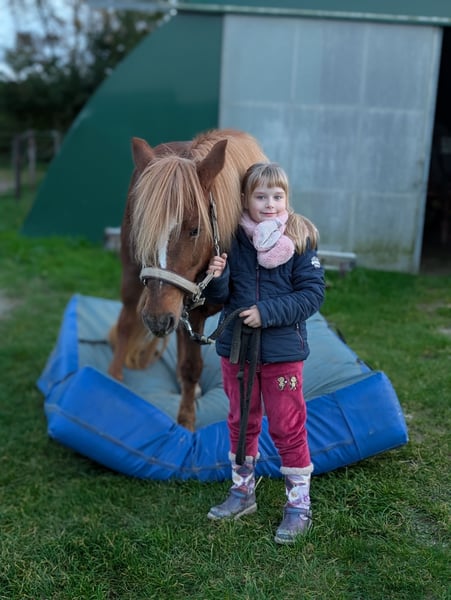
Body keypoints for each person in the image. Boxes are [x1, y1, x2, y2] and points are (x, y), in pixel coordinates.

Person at [204, 162, 325, 544]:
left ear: (286, 198)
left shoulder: (300, 239)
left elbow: (312, 295)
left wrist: (266, 312)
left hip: (281, 355)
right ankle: (242, 492)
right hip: (238, 350)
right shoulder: (231, 240)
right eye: (260, 196)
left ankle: (298, 504)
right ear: (245, 199)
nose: (270, 204)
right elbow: (220, 298)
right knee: (241, 420)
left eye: (277, 196)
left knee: (288, 425)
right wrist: (218, 276)